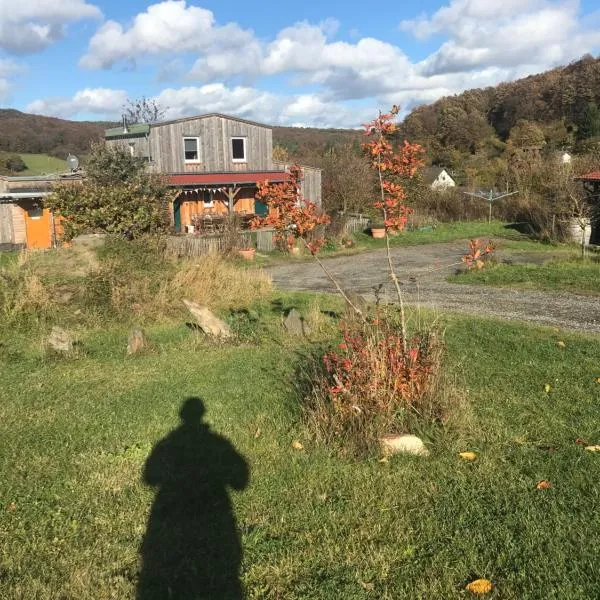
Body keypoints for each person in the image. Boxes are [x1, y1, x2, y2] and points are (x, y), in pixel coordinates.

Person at [137, 397, 249, 599]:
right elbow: (240, 479)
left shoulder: (167, 444)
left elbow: (149, 477)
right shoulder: (217, 444)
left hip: (174, 519)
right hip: (214, 519)